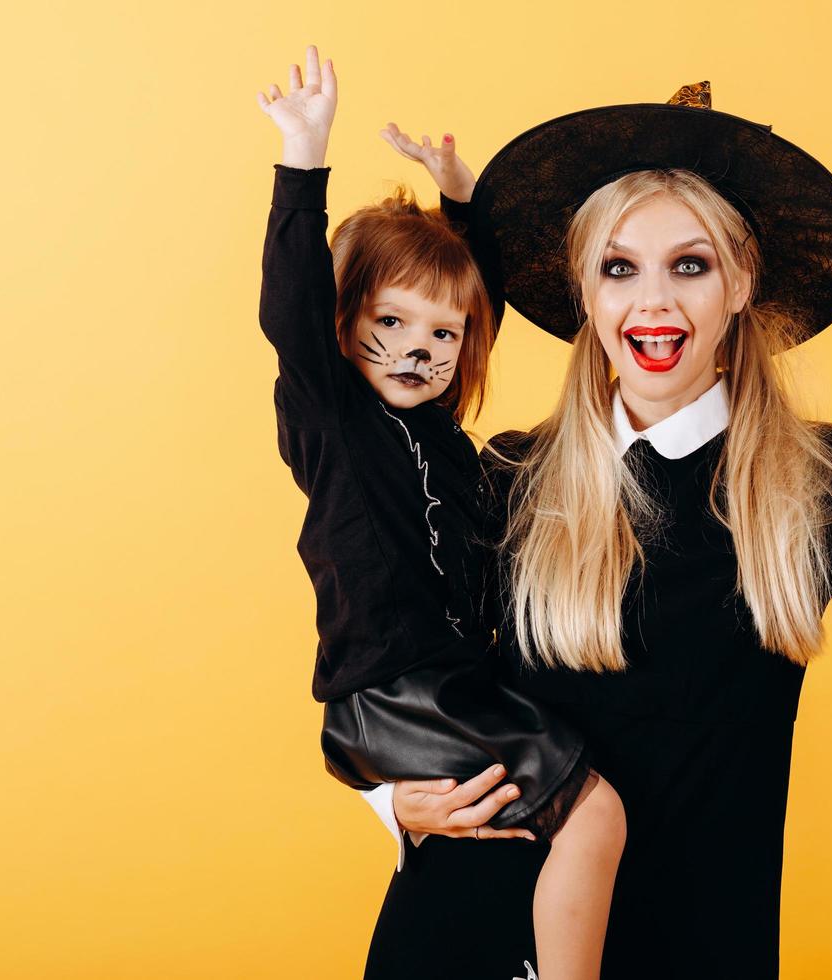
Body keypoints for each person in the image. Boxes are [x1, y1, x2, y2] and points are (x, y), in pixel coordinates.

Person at [357, 80, 832, 979]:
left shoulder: (811, 482)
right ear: (584, 291)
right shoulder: (509, 474)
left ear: (740, 283)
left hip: (693, 940)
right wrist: (394, 799)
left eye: (689, 265)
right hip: (474, 930)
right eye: (619, 268)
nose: (653, 301)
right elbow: (393, 639)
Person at [254, 46, 627, 980]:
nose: (418, 354)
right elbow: (291, 314)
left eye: (441, 338)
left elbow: (479, 301)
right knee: (594, 813)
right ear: (345, 327)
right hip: (390, 694)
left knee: (537, 832)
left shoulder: (446, 433)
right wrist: (303, 161)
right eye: (390, 325)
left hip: (447, 690)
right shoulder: (338, 424)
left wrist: (464, 205)